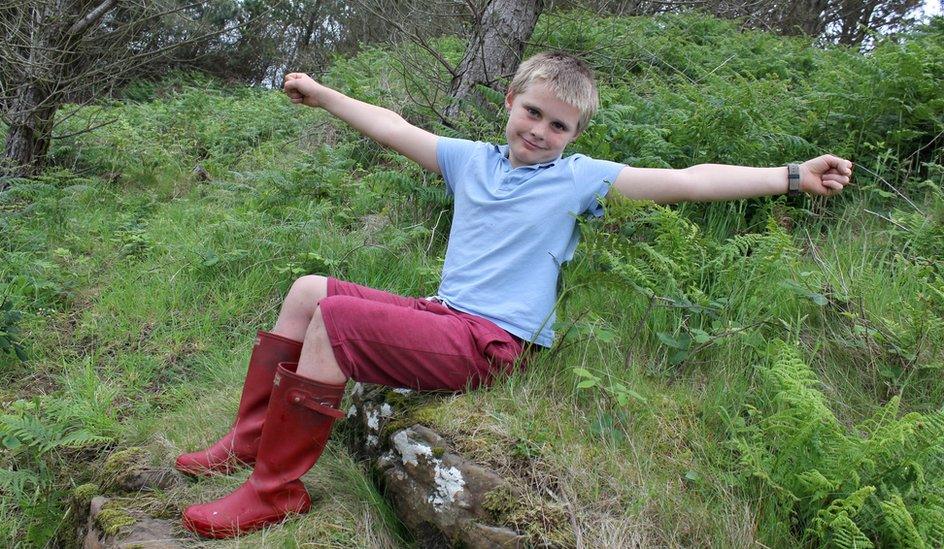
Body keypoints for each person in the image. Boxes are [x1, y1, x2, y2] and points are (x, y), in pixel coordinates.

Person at [177, 52, 852, 538]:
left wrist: (791, 175)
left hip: (492, 341)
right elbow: (389, 125)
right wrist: (322, 92)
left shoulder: (580, 181)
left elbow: (688, 179)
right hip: (446, 318)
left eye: (559, 126)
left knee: (333, 318)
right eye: (533, 112)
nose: (541, 131)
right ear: (510, 101)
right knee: (308, 289)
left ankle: (276, 489)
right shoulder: (471, 159)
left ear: (575, 137)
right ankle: (249, 439)